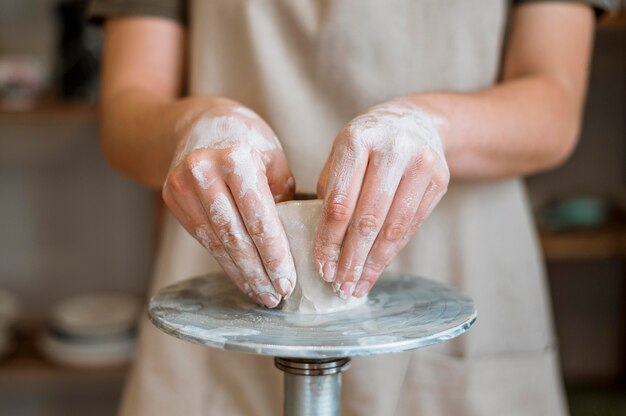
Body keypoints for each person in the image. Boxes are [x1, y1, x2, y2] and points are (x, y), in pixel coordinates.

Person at [90, 0, 616, 414]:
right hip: (228, 292)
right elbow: (127, 107)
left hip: (458, 263)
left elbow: (554, 102)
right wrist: (195, 124)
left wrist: (428, 126)